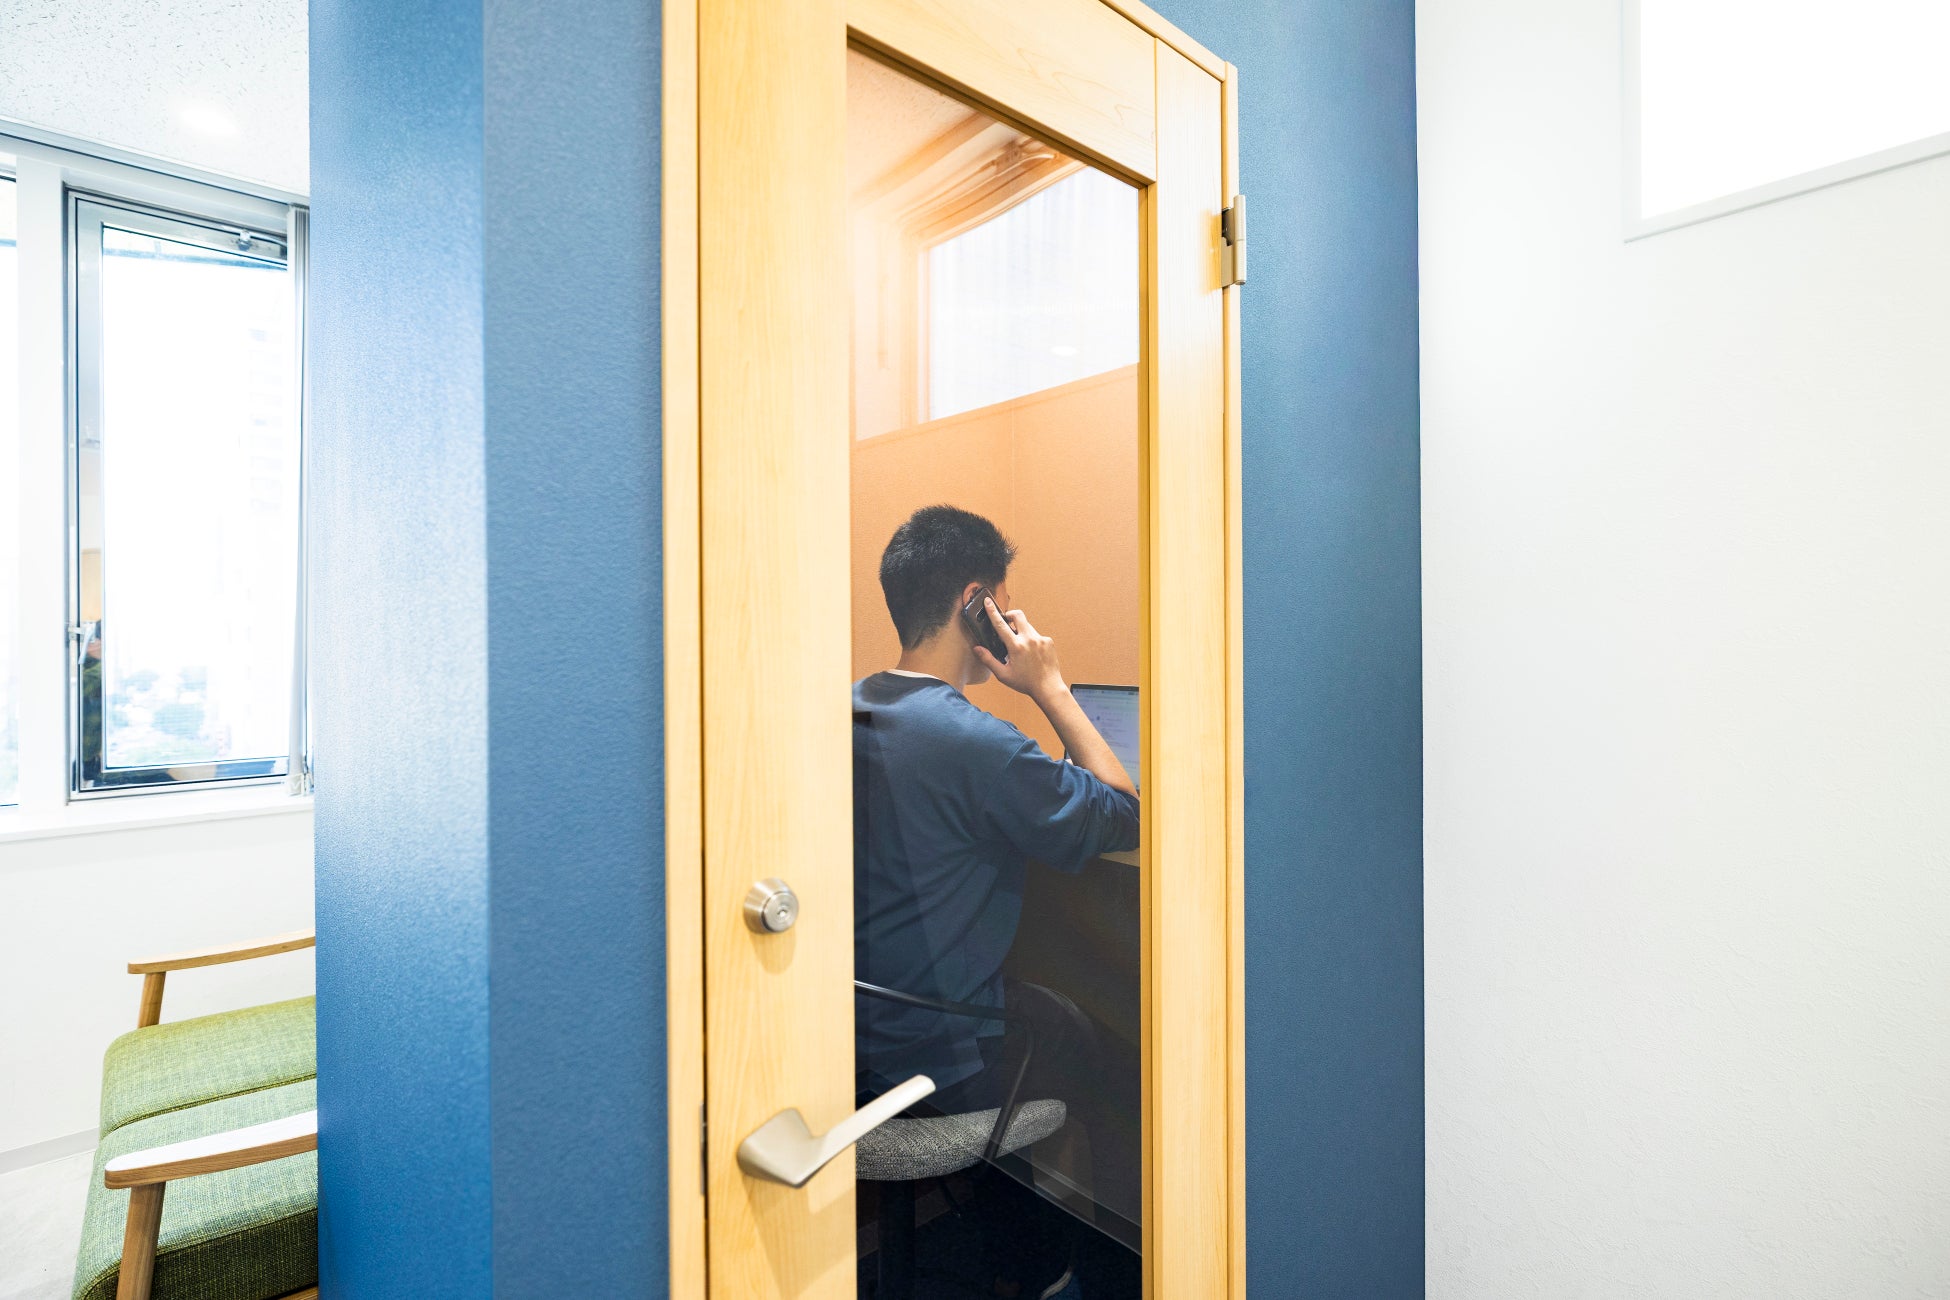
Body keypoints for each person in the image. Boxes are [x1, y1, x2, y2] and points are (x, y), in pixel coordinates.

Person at [854, 504, 1141, 1295]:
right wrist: (1050, 686)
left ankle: (1009, 1241)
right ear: (976, 604)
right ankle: (1062, 1269)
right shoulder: (974, 742)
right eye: (1005, 606)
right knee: (1100, 1048)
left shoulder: (853, 703)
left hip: (853, 1038)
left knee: (1046, 1011)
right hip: (931, 1060)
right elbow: (1123, 810)